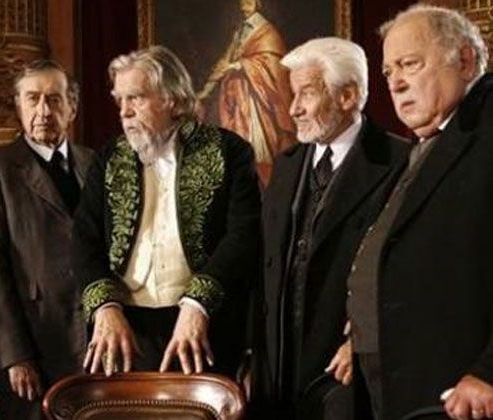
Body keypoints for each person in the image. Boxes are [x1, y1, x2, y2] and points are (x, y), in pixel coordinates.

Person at [72, 45, 261, 378]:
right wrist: (104, 307)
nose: (125, 112)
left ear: (172, 99)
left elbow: (243, 236)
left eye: (136, 98)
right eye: (120, 100)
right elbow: (84, 238)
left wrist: (197, 304)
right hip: (125, 329)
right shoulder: (109, 157)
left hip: (204, 324)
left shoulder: (229, 151)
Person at [346, 4, 493, 419]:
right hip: (397, 382)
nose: (395, 83)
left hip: (460, 393)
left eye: (410, 64)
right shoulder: (429, 142)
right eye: (388, 72)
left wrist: (489, 372)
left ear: (465, 61)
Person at [252, 37, 410, 419]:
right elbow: (263, 266)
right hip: (279, 370)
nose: (293, 109)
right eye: (293, 94)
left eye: (306, 93)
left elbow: (407, 271)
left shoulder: (399, 162)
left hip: (345, 368)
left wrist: (366, 339)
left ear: (347, 96)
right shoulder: (287, 165)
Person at [0, 59, 95, 419]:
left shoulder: (94, 163)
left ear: (72, 108)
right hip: (36, 343)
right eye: (33, 99)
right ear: (18, 106)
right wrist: (15, 355)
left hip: (96, 343)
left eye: (54, 99)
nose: (43, 111)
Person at [198, 0, 295, 185]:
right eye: (242, 1)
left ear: (258, 3)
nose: (244, 5)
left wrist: (238, 65)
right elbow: (225, 60)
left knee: (259, 149)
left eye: (249, 1)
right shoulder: (240, 31)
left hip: (258, 99)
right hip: (238, 96)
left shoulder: (267, 32)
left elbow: (272, 64)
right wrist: (206, 91)